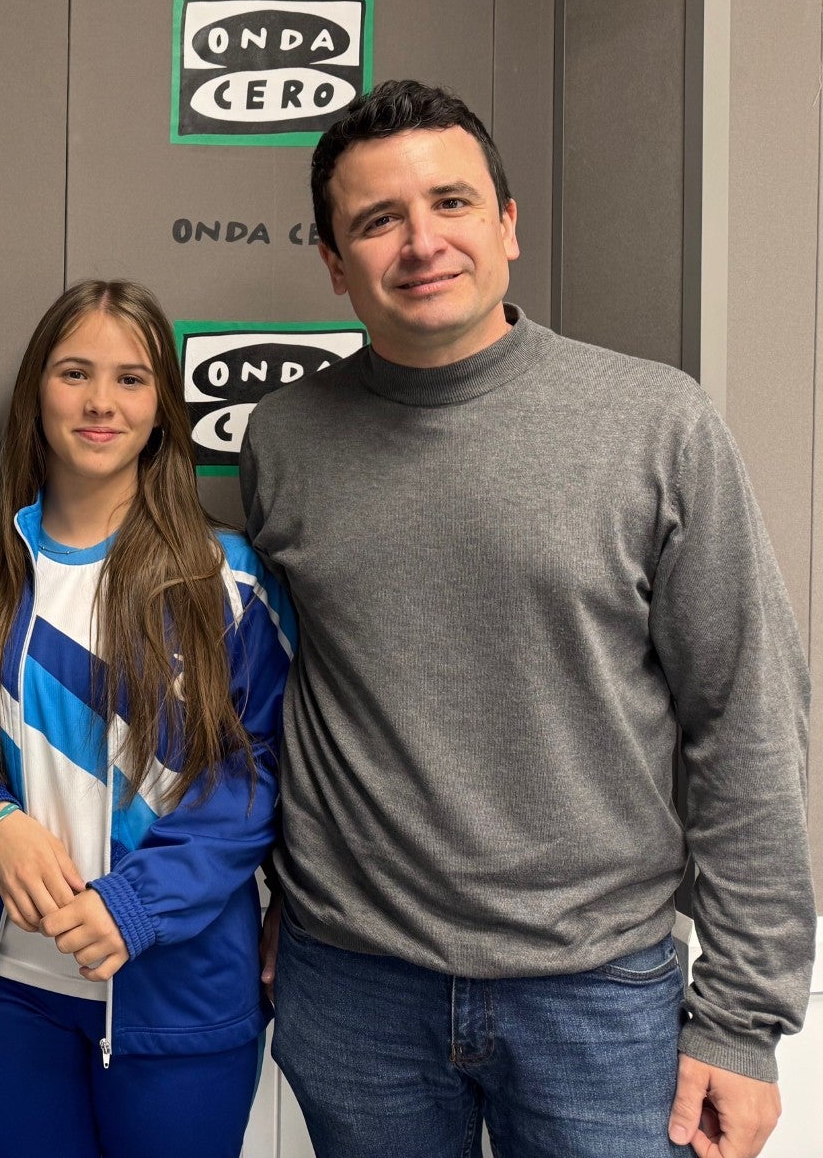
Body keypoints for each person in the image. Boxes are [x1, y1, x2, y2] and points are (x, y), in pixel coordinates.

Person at [243, 79, 814, 1158]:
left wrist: (743, 1022)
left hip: (597, 999)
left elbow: (748, 721)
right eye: (377, 221)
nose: (421, 243)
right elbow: (273, 699)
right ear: (332, 262)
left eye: (452, 204)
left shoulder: (655, 424)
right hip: (353, 992)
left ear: (507, 223)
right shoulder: (285, 440)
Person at [0, 278, 294, 1158]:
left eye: (132, 379)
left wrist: (138, 906)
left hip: (179, 1004)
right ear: (37, 392)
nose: (101, 402)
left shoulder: (231, 579)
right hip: (8, 1001)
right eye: (75, 374)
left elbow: (254, 776)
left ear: (163, 407)